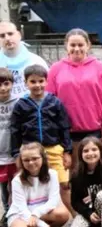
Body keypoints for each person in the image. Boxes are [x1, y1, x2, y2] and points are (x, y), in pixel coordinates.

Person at [11, 65, 73, 213]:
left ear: (46, 82)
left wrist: (67, 151)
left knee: (64, 183)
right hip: (31, 151)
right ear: (26, 83)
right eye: (33, 81)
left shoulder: (55, 102)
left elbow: (64, 127)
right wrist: (16, 154)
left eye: (41, 81)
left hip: (53, 148)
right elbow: (15, 131)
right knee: (33, 184)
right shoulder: (21, 105)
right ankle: (30, 217)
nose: (37, 85)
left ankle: (76, 216)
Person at [47, 28, 102, 154]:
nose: (76, 49)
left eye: (80, 45)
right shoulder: (55, 69)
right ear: (66, 46)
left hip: (96, 131)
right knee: (72, 171)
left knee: (95, 170)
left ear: (88, 45)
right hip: (66, 132)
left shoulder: (100, 68)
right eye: (72, 45)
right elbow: (49, 100)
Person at [7, 142, 70, 227]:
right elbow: (21, 209)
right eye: (26, 160)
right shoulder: (17, 180)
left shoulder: (52, 174)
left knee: (63, 214)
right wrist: (43, 226)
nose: (31, 162)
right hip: (22, 214)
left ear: (43, 158)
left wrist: (36, 215)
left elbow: (53, 201)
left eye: (35, 158)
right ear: (21, 161)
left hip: (41, 211)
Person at [0, 21, 48, 99]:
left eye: (10, 34)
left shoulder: (37, 61)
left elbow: (47, 89)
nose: (7, 38)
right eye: (2, 36)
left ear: (19, 35)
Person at [0, 68, 19, 227]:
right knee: (3, 187)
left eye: (6, 84)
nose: (3, 88)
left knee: (16, 186)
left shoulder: (18, 103)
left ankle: (17, 216)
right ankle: (7, 215)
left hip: (14, 154)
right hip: (0, 157)